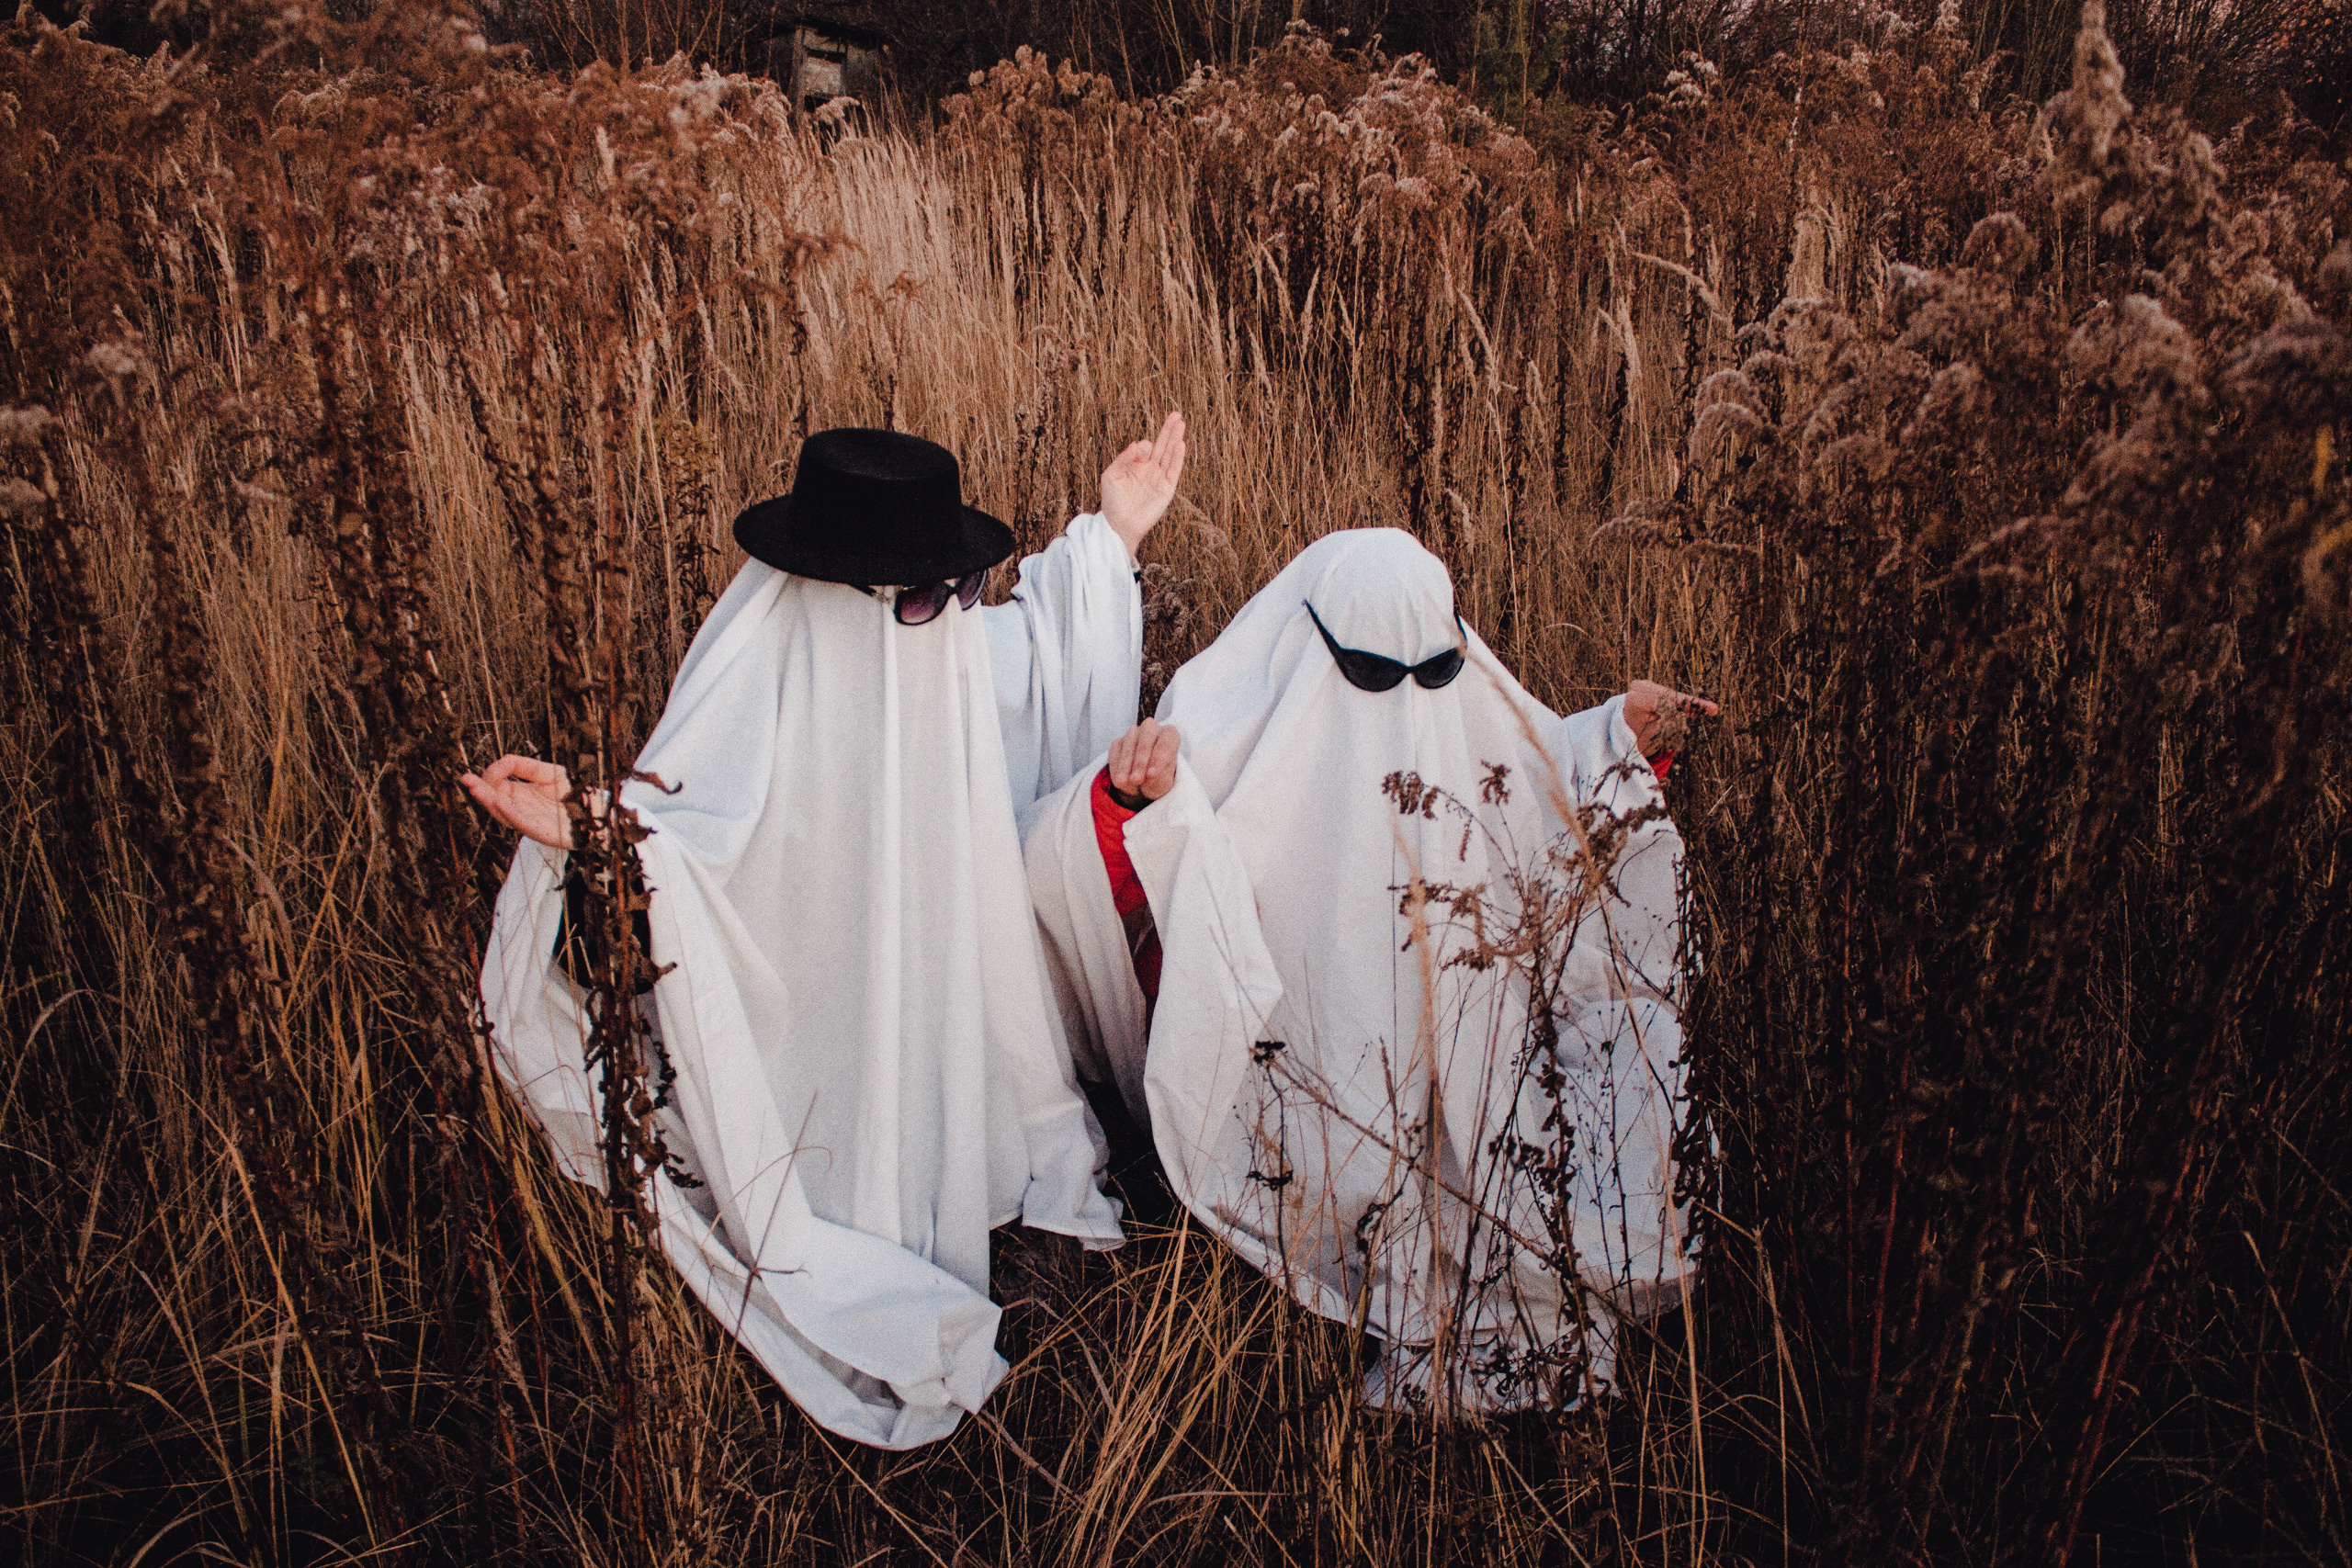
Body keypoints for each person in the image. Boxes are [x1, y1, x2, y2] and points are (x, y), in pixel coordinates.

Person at [464, 416, 1186, 1449]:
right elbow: (686, 844)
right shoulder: (762, 690)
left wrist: (1112, 537)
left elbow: (1039, 652)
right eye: (937, 594)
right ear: (846, 599)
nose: (958, 614)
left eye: (962, 589)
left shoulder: (937, 653)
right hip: (814, 1058)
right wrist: (592, 825)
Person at [1022, 527, 1713, 1412]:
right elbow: (1070, 859)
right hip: (1289, 1105)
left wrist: (1626, 739)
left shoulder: (1464, 701)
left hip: (1456, 1074)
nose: (1408, 703)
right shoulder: (1234, 725)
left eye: (1430, 673)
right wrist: (1126, 802)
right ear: (1314, 644)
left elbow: (1547, 786)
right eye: (1376, 678)